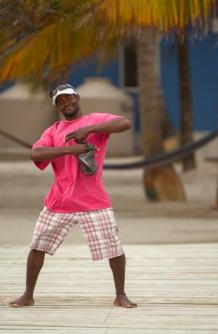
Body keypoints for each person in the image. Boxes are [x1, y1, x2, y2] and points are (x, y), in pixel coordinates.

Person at [8, 84, 137, 308]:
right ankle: (28, 295)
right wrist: (70, 149)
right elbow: (35, 153)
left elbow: (125, 123)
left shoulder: (96, 120)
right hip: (59, 201)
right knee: (37, 246)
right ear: (57, 107)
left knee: (113, 247)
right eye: (60, 101)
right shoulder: (53, 130)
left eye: (68, 97)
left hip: (94, 200)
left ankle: (121, 295)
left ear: (77, 97)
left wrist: (89, 130)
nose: (66, 103)